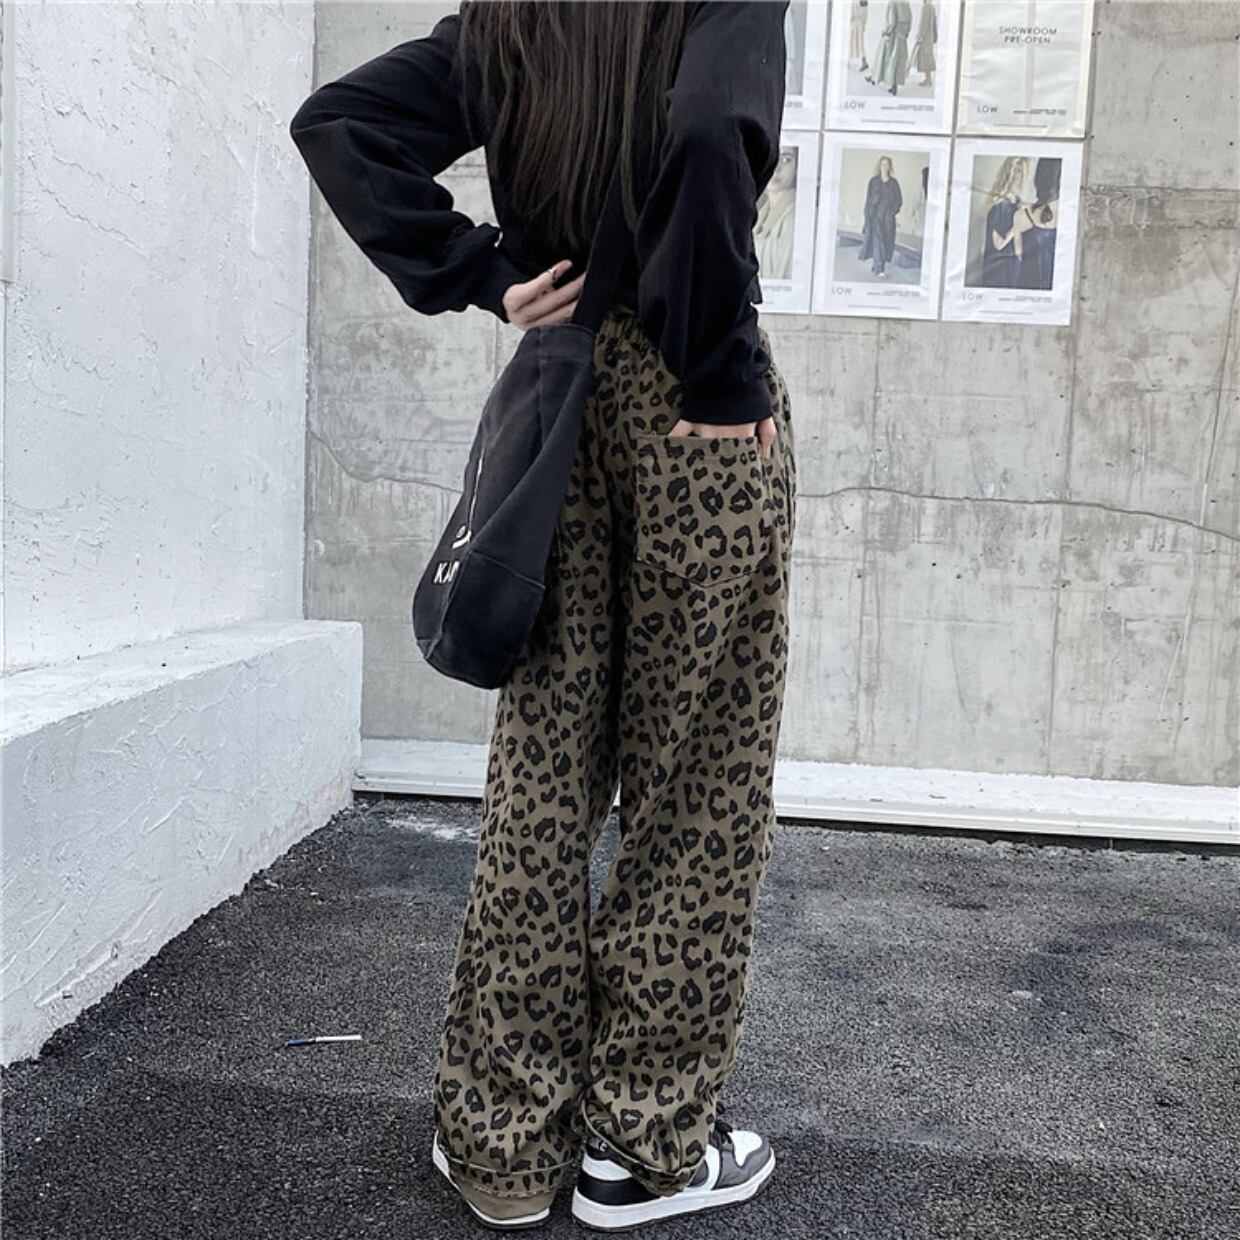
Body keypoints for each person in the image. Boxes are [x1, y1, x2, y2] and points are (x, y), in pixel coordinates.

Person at [288, 1, 798, 1232]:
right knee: (696, 784)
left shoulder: (515, 13)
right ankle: (641, 1147)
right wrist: (721, 366)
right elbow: (710, 126)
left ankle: (502, 1145)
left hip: (558, 400)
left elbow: (342, 120)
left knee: (543, 774)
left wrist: (487, 273)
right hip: (696, 420)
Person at [859, 155, 903, 278]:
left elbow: (899, 200)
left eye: (887, 164)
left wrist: (893, 211)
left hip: (888, 218)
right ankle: (880, 269)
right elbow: (868, 200)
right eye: (882, 164)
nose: (884, 167)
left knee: (886, 241)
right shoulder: (873, 182)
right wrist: (867, 216)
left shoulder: (894, 183)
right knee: (878, 241)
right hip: (875, 216)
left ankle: (876, 265)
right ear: (879, 166)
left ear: (890, 167)